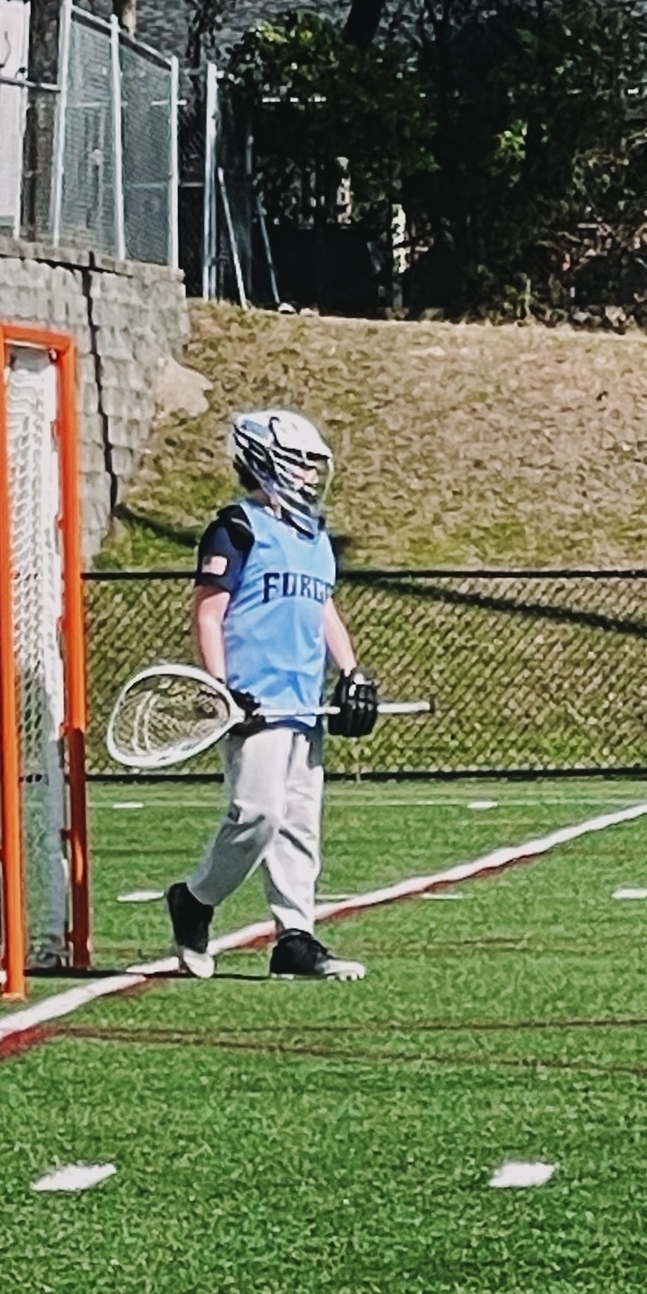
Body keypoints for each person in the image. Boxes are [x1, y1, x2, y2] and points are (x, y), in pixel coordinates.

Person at [165, 408, 379, 981]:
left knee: (300, 824)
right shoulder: (236, 527)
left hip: (303, 702)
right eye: (299, 463)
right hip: (253, 703)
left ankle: (295, 938)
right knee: (257, 815)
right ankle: (196, 899)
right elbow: (209, 614)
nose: (309, 475)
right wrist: (222, 690)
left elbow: (322, 607)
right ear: (265, 460)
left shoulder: (313, 535)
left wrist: (351, 671)